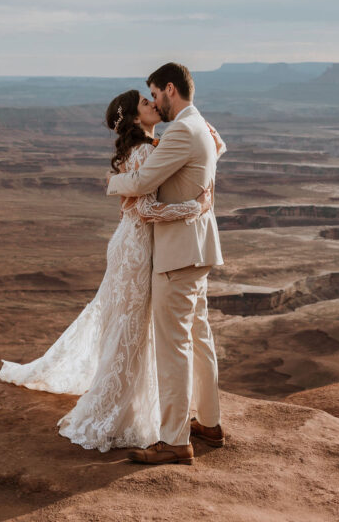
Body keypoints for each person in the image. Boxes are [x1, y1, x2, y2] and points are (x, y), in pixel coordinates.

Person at [0, 88, 217, 452]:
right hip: (137, 248)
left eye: (153, 99)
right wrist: (195, 207)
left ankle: (126, 404)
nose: (153, 105)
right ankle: (115, 409)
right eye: (146, 104)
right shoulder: (146, 150)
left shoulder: (150, 146)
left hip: (134, 245)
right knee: (131, 327)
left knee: (129, 327)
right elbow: (147, 211)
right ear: (133, 118)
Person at [106, 62, 226, 466]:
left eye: (155, 94)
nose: (154, 102)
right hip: (198, 250)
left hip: (177, 254)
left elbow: (140, 186)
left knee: (174, 345)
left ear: (170, 89)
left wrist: (112, 183)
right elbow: (214, 152)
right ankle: (208, 423)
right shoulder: (203, 127)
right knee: (198, 335)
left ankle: (175, 440)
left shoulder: (180, 132)